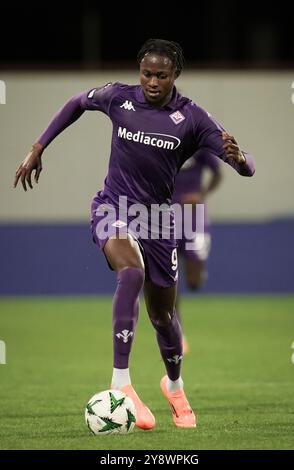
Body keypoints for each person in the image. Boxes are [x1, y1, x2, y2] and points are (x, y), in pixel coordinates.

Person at [14, 38, 255, 430]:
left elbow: (246, 167)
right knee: (131, 272)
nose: (152, 82)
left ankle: (174, 387)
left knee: (163, 315)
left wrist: (241, 158)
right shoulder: (119, 98)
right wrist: (39, 145)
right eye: (147, 73)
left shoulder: (192, 118)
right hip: (113, 208)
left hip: (160, 221)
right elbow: (77, 102)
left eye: (161, 75)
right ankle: (121, 384)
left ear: (175, 74)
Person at [172, 149, 223, 353]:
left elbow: (218, 173)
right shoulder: (162, 142)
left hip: (194, 218)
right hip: (166, 217)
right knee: (169, 278)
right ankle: (178, 335)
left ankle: (198, 273)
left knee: (194, 282)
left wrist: (201, 194)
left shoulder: (199, 147)